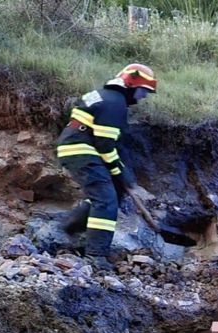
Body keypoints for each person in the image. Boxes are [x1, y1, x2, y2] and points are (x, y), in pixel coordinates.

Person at [55, 63, 157, 269]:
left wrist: (122, 175)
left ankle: (71, 225)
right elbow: (105, 145)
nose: (144, 97)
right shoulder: (115, 103)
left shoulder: (104, 96)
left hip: (78, 147)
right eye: (143, 91)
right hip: (82, 150)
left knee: (112, 194)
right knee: (106, 200)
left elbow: (105, 143)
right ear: (131, 84)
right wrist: (119, 171)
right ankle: (96, 255)